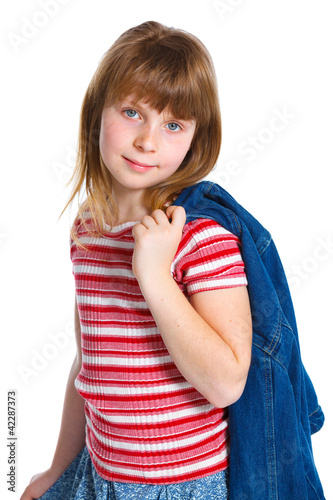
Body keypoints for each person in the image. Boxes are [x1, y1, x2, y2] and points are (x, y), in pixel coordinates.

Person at [20, 20, 252, 500]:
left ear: (195, 137)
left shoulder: (200, 236)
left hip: (181, 486)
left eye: (172, 125)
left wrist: (155, 276)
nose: (148, 141)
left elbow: (227, 383)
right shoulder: (89, 227)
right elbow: (89, 363)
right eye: (131, 112)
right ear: (96, 111)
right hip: (100, 476)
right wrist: (56, 472)